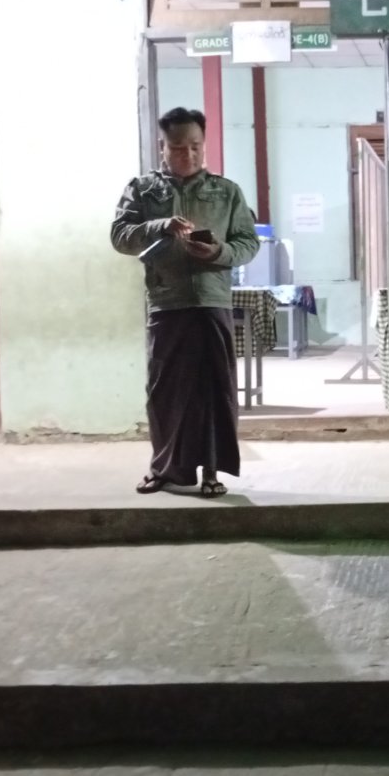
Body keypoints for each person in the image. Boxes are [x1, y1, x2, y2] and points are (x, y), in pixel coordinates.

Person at [111, 107, 260, 496]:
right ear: (162, 147)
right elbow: (120, 236)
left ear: (204, 144)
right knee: (165, 392)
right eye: (178, 147)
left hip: (212, 301)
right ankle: (165, 469)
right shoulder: (143, 190)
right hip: (167, 302)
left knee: (213, 389)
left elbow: (248, 242)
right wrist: (160, 225)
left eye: (195, 146)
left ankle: (212, 472)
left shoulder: (226, 192)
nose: (188, 155)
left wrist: (219, 252)